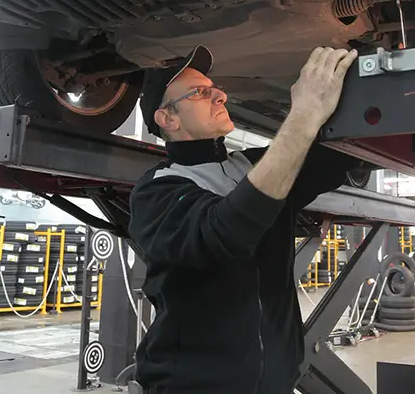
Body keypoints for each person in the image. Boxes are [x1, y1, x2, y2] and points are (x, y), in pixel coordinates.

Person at [128, 44, 365, 394]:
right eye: (201, 92)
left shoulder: (252, 166)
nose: (220, 95)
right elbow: (226, 233)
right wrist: (303, 114)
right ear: (168, 118)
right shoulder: (157, 192)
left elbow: (337, 157)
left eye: (216, 88)